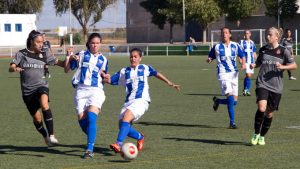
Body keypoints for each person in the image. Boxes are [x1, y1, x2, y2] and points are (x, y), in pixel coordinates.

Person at [102, 48, 180, 153]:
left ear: (140, 58)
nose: (133, 59)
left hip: (142, 100)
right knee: (122, 126)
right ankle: (140, 137)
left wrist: (169, 82)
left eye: (135, 57)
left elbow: (156, 73)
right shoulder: (124, 71)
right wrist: (104, 76)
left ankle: (118, 144)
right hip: (128, 101)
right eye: (131, 56)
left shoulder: (144, 68)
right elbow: (110, 80)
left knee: (126, 118)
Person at [8, 30, 65, 146]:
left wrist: (70, 58)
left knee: (45, 104)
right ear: (31, 42)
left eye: (42, 42)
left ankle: (52, 135)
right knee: (37, 119)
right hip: (27, 92)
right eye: (38, 42)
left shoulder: (45, 54)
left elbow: (62, 64)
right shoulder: (21, 54)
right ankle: (45, 136)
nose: (41, 44)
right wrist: (15, 69)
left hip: (41, 86)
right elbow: (11, 67)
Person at [250, 27, 297, 145]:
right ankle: (256, 133)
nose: (268, 37)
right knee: (261, 108)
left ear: (277, 37)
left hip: (276, 86)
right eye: (267, 34)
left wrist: (283, 67)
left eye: (270, 35)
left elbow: (294, 65)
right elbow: (258, 63)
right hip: (262, 83)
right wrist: (253, 65)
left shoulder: (283, 51)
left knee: (269, 113)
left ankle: (262, 136)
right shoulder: (263, 49)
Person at [64, 33, 108, 159]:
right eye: (93, 43)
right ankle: (92, 140)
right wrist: (68, 57)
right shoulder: (80, 55)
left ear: (100, 44)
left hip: (96, 90)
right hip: (81, 91)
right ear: (88, 43)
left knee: (91, 118)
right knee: (83, 122)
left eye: (97, 43)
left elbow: (104, 76)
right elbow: (67, 70)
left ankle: (89, 149)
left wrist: (106, 77)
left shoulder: (104, 60)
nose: (95, 45)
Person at [207, 27, 246, 129]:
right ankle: (232, 123)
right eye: (222, 33)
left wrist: (244, 64)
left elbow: (242, 55)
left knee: (234, 102)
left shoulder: (236, 45)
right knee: (230, 98)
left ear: (230, 35)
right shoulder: (216, 47)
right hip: (223, 74)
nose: (224, 34)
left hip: (234, 74)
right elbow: (210, 56)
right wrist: (209, 59)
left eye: (226, 33)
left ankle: (218, 101)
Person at [239, 30, 257, 96]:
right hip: (245, 61)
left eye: (247, 33)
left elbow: (254, 53)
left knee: (249, 76)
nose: (246, 34)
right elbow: (239, 51)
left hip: (251, 61)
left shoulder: (252, 42)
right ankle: (246, 89)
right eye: (245, 33)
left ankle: (246, 89)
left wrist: (257, 61)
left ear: (250, 34)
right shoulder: (241, 42)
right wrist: (240, 59)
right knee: (248, 75)